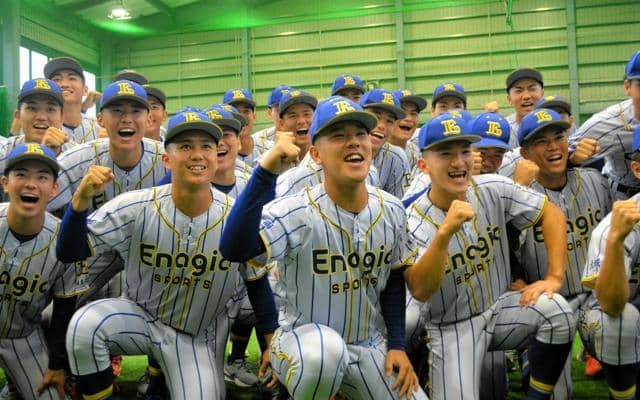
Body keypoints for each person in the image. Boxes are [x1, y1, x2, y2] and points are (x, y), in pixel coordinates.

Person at [56, 109, 279, 400]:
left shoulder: (235, 218)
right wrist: (79, 202)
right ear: (166, 159)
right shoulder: (135, 207)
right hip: (139, 318)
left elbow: (257, 283)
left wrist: (271, 340)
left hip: (195, 337)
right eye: (185, 146)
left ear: (216, 157)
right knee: (85, 326)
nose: (197, 154)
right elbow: (69, 252)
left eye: (206, 146)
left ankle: (167, 378)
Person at [220, 96, 427, 400]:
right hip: (301, 343)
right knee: (324, 354)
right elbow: (234, 248)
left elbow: (393, 278)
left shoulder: (391, 208)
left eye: (360, 134)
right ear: (316, 154)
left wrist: (396, 344)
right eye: (339, 135)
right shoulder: (295, 210)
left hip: (367, 345)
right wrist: (265, 171)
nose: (353, 142)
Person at [403, 112, 575, 400]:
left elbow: (552, 213)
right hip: (450, 328)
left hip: (499, 308)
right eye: (446, 154)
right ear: (423, 165)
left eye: (464, 151)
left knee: (557, 310)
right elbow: (420, 289)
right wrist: (444, 234)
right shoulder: (412, 221)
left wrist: (554, 277)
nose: (459, 162)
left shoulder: (493, 187)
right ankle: (422, 365)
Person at [514, 108, 613, 399]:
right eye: (541, 141)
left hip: (595, 296)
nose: (553, 146)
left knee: (626, 324)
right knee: (556, 393)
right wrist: (515, 278)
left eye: (559, 137)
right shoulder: (517, 194)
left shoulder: (595, 181)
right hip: (549, 301)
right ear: (525, 153)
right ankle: (530, 355)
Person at [0, 143, 87, 400]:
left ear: (54, 189)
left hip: (22, 337)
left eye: (42, 177)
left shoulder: (66, 239)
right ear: (5, 183)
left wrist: (56, 364)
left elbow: (64, 306)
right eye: (21, 175)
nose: (31, 184)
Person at [579, 123, 640, 400]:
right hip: (610, 318)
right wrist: (616, 242)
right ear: (637, 169)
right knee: (621, 320)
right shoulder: (610, 230)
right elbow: (611, 305)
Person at [568, 50, 640, 199]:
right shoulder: (610, 122)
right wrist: (573, 159)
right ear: (627, 87)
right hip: (622, 194)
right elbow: (560, 156)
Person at [360, 88, 411, 198]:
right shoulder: (338, 152)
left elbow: (400, 203)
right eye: (376, 117)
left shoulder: (397, 157)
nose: (382, 126)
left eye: (389, 121)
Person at [44, 57, 101, 144]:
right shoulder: (39, 126)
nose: (64, 84)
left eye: (72, 78)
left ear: (85, 90)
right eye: (57, 79)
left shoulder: (99, 128)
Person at [504, 67, 545, 147]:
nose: (526, 96)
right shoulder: (503, 129)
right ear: (509, 99)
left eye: (532, 89)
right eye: (518, 91)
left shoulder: (556, 122)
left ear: (542, 93)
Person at [391, 90, 426, 168]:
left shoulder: (418, 154)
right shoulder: (373, 150)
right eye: (402, 112)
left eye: (413, 113)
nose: (409, 118)